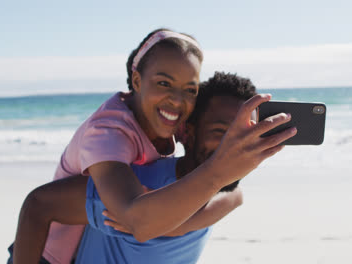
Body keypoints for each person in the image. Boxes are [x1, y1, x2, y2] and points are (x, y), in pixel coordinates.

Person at [11, 27, 297, 264]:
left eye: (190, 90)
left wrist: (178, 221)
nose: (176, 99)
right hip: (43, 254)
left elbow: (232, 192)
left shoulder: (169, 125)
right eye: (163, 83)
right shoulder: (108, 133)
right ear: (137, 80)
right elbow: (138, 220)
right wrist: (213, 177)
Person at [75, 72, 259, 263]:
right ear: (190, 132)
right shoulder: (133, 186)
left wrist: (168, 224)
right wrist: (141, 219)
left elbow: (234, 195)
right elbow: (44, 202)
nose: (234, 144)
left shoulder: (223, 188)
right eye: (220, 132)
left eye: (244, 133)